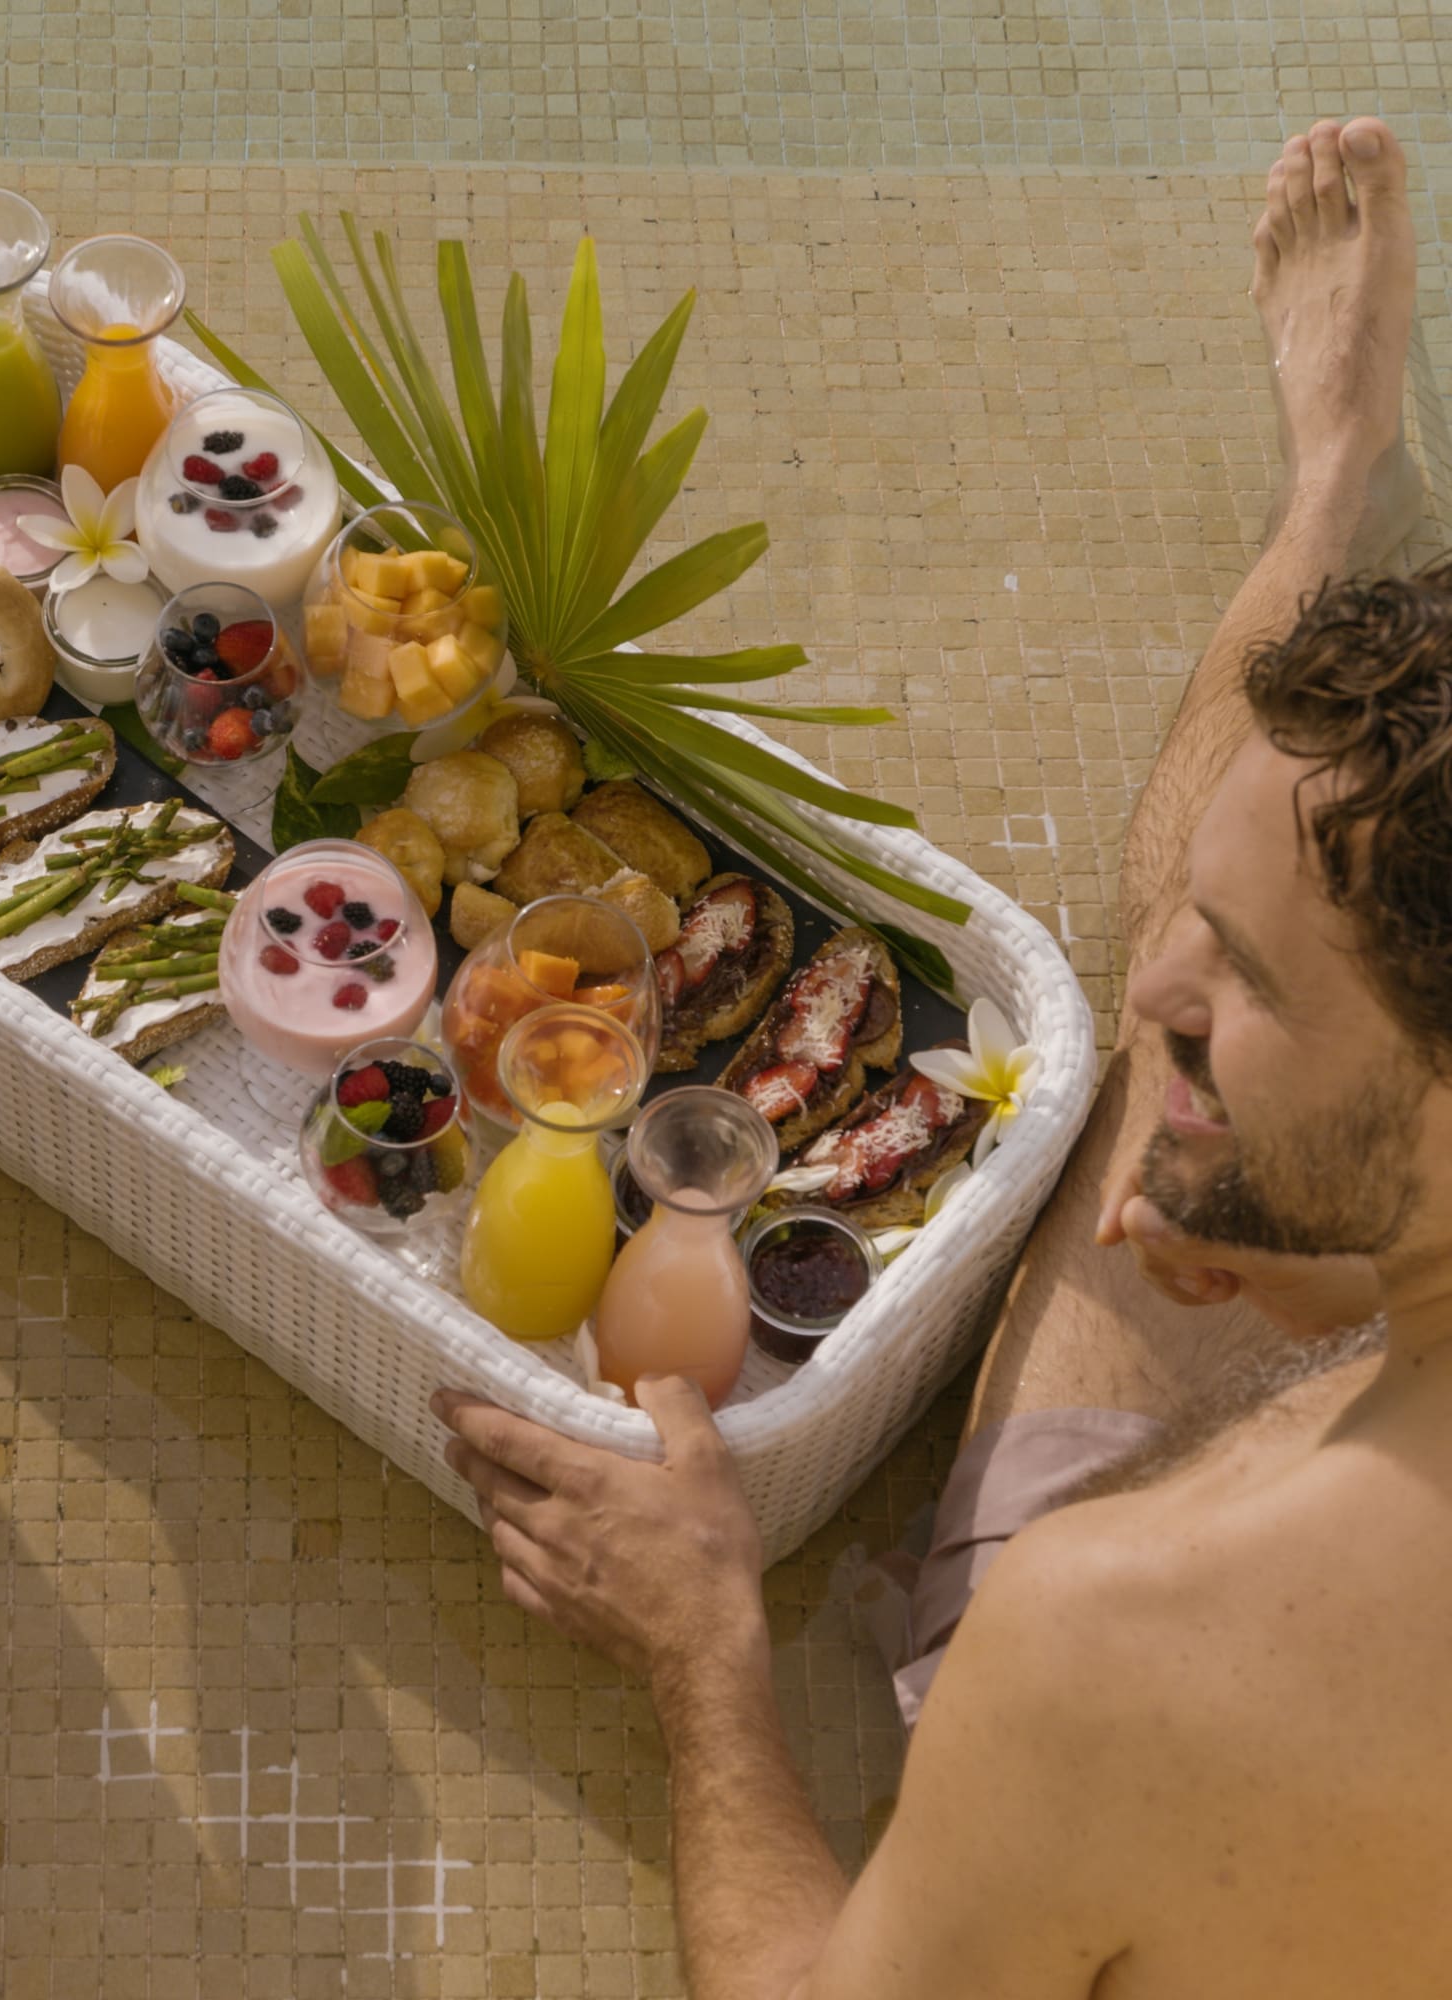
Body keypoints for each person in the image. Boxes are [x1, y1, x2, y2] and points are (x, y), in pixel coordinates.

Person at [434, 115, 1452, 1997]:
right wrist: (1334, 1245)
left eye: (1243, 987)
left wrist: (703, 1656)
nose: (1145, 991)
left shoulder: (1116, 1659)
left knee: (1163, 1116)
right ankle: (1334, 501)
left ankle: (1334, 482)